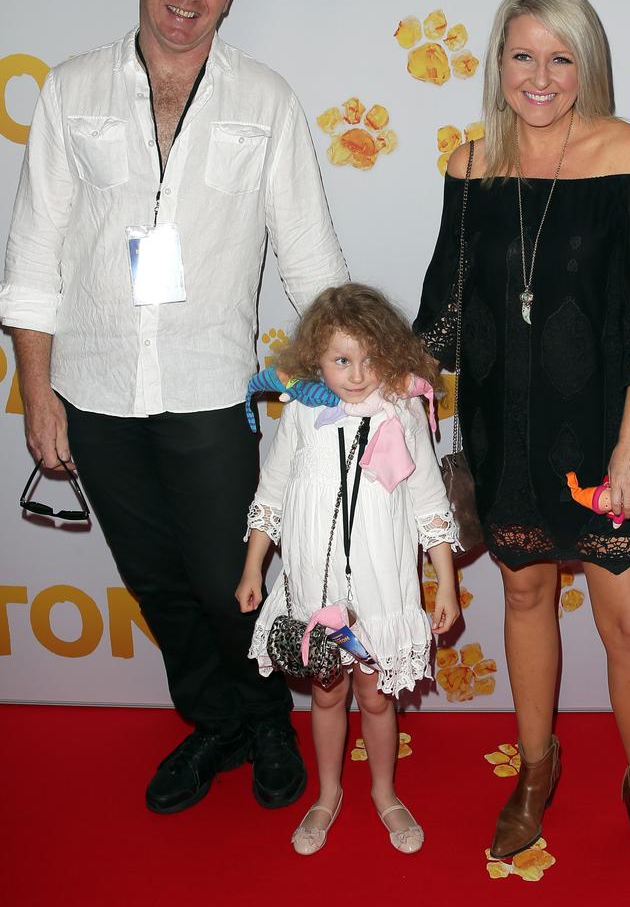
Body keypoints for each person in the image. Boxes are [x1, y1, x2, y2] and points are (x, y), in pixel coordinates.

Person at [0, 0, 348, 814]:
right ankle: (217, 723)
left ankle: (268, 717)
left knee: (226, 578)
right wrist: (38, 395)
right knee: (156, 583)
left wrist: (354, 380)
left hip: (206, 390)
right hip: (94, 392)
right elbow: (32, 254)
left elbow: (312, 263)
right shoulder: (70, 89)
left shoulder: (266, 101)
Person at [414, 0, 630, 894]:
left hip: (603, 444)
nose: (540, 77)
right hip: (506, 430)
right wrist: (362, 380)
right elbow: (443, 320)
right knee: (526, 599)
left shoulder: (628, 154)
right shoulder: (469, 166)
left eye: (561, 57)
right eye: (523, 56)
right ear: (499, 63)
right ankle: (535, 771)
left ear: (588, 64)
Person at [236, 282, 459, 855]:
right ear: (317, 358)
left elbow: (431, 505)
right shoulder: (303, 415)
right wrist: (253, 567)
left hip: (383, 590)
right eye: (341, 360)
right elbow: (273, 493)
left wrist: (446, 585)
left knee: (378, 698)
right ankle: (327, 793)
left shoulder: (404, 412)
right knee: (327, 693)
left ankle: (385, 792)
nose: (357, 375)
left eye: (369, 359)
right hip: (315, 585)